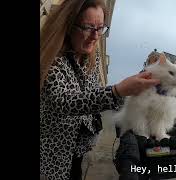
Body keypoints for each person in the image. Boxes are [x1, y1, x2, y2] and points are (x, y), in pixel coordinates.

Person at [40, 0, 160, 179]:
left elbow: (94, 96)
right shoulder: (52, 57)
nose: (95, 36)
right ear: (69, 25)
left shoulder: (92, 56)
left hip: (79, 149)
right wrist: (117, 91)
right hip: (52, 153)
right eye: (88, 27)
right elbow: (64, 102)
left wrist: (130, 98)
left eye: (100, 28)